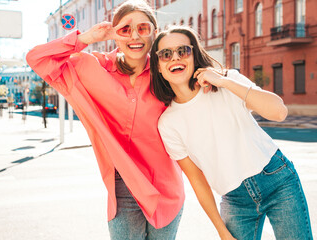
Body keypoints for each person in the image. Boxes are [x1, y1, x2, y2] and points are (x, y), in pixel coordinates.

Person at [26, 1, 185, 239]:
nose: (134, 36)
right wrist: (86, 38)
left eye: (143, 28)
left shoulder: (167, 71)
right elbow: (37, 58)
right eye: (125, 29)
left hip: (167, 188)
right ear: (114, 33)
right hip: (123, 187)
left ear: (154, 31)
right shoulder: (92, 67)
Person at [150, 26, 313, 240]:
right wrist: (221, 231)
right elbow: (197, 180)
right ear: (159, 67)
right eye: (166, 54)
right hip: (235, 200)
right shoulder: (168, 123)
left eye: (183, 51)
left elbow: (279, 112)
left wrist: (225, 81)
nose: (175, 58)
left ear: (194, 55)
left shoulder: (226, 82)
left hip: (278, 180)